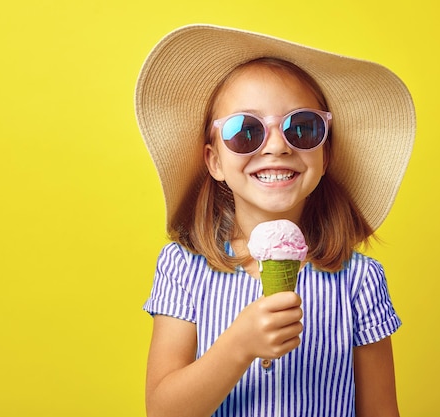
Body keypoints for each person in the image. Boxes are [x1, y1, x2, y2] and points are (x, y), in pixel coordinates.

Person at [136, 24, 416, 417]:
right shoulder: (183, 269)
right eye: (245, 131)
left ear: (326, 155)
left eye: (302, 128)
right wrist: (238, 346)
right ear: (215, 160)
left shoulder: (359, 282)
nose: (277, 146)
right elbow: (162, 412)